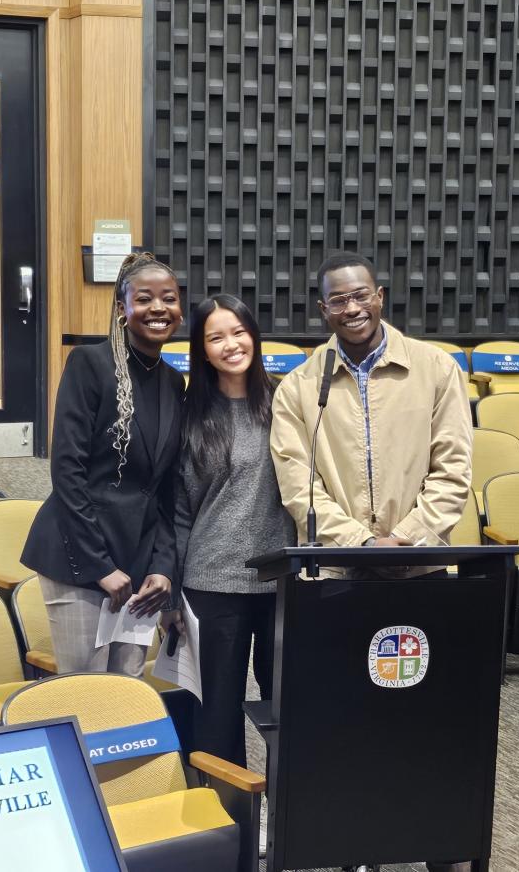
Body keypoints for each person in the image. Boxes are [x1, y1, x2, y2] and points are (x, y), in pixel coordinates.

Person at [269, 251, 473, 872]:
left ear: (380, 295)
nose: (351, 308)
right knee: (346, 718)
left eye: (361, 296)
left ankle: (434, 836)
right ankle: (351, 839)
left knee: (424, 717)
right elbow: (296, 482)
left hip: (421, 572)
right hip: (340, 576)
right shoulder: (301, 386)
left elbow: (453, 468)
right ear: (322, 309)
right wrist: (359, 542)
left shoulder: (435, 369)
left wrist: (406, 537)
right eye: (337, 300)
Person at [20, 252, 185, 676]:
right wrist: (99, 567)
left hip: (139, 567)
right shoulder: (90, 364)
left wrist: (163, 569)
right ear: (122, 309)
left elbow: (165, 489)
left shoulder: (172, 381)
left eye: (169, 298)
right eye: (145, 299)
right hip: (80, 558)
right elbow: (67, 472)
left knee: (126, 692)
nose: (158, 309)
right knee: (87, 692)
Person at [166, 294, 295, 768]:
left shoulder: (288, 400)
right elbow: (179, 509)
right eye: (215, 337)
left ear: (254, 335)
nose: (231, 344)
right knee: (216, 712)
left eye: (238, 331)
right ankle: (228, 822)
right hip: (212, 580)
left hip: (283, 578)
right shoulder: (190, 414)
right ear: (201, 350)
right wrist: (172, 594)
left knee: (291, 706)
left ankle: (292, 816)